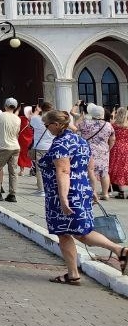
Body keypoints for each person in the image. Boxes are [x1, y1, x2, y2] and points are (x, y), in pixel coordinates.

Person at [36, 109, 128, 285]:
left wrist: (63, 199)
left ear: (56, 124)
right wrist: (92, 189)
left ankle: (74, 273)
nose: (47, 129)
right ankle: (117, 251)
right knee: (81, 232)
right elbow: (88, 167)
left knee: (64, 233)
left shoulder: (61, 144)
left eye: (48, 125)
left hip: (64, 194)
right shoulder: (80, 141)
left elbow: (63, 170)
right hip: (81, 190)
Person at [0, 98, 22, 202]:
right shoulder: (17, 118)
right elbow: (17, 133)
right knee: (13, 171)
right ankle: (12, 194)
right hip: (16, 147)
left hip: (4, 146)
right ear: (15, 107)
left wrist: (0, 132)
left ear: (5, 106)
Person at [78, 104, 115, 201]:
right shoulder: (108, 125)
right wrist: (108, 149)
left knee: (90, 172)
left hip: (88, 150)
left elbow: (76, 128)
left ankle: (93, 192)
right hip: (103, 151)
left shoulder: (85, 123)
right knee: (104, 173)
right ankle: (105, 194)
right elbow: (112, 139)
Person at [30, 100, 55, 194]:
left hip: (40, 146)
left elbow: (31, 120)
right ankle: (51, 187)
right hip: (52, 146)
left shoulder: (36, 119)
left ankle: (41, 189)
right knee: (52, 168)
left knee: (40, 169)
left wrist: (36, 110)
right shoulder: (54, 120)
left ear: (42, 109)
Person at [110, 106, 128, 199]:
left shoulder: (113, 125)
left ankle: (121, 192)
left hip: (116, 148)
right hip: (127, 147)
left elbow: (111, 137)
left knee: (118, 169)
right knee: (126, 169)